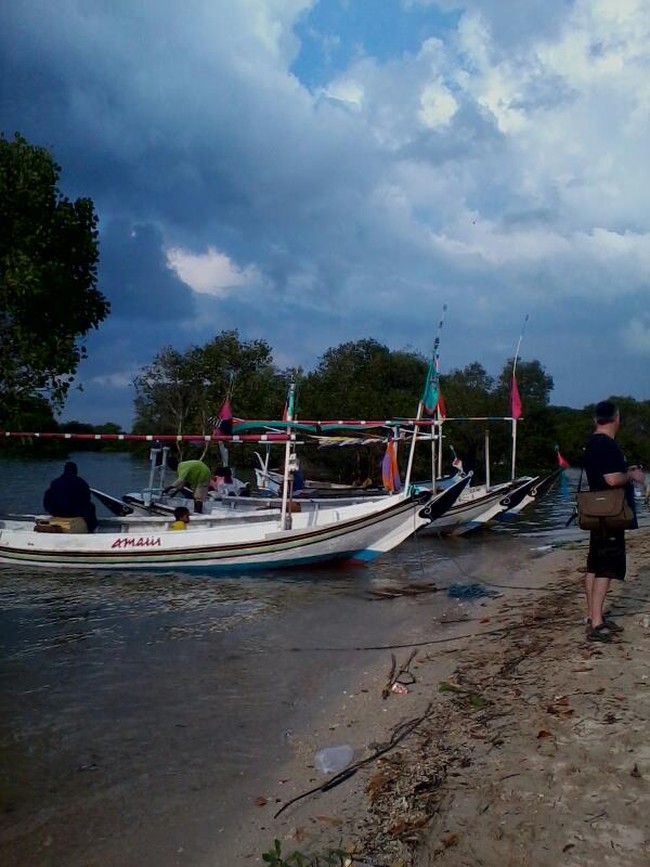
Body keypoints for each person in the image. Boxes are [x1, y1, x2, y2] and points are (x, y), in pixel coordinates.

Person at [581, 400, 645, 643]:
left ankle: (591, 616)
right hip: (610, 513)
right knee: (605, 566)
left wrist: (624, 471)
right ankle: (597, 622)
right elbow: (610, 479)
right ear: (616, 418)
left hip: (597, 512)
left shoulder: (592, 444)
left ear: (596, 419)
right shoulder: (606, 445)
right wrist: (632, 475)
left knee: (594, 564)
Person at [43, 461, 98, 533]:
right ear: (75, 471)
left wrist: (51, 509)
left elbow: (47, 499)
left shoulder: (55, 483)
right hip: (75, 512)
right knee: (91, 506)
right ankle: (91, 529)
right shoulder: (81, 483)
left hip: (57, 512)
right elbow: (87, 499)